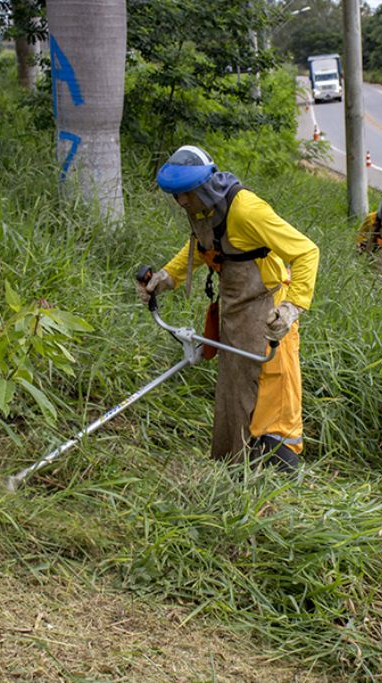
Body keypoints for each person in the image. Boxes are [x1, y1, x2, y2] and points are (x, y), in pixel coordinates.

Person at [138, 145, 319, 471]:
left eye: (185, 195)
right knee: (234, 388)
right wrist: (167, 277)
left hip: (270, 305)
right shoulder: (201, 209)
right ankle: (233, 468)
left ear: (203, 186)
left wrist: (292, 308)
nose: (180, 202)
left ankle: (277, 475)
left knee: (274, 388)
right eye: (175, 196)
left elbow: (306, 251)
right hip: (235, 307)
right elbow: (201, 245)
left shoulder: (246, 210)